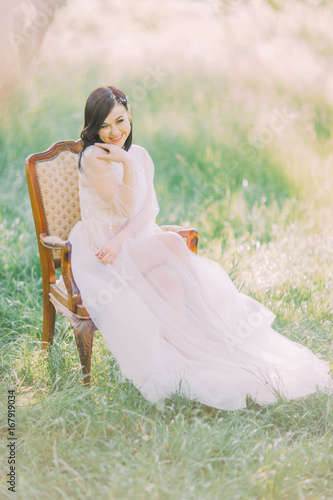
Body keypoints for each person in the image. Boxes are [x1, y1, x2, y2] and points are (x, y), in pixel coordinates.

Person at [68, 85, 332, 411]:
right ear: (93, 127)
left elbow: (147, 212)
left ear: (130, 115)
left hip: (127, 243)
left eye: (120, 121)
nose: (113, 132)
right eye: (104, 125)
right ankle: (214, 325)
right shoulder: (96, 157)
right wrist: (125, 163)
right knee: (169, 241)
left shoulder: (139, 156)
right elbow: (123, 208)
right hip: (102, 254)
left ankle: (187, 353)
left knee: (170, 279)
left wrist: (123, 230)